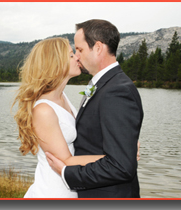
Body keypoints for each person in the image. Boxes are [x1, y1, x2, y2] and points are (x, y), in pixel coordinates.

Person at [46, 19, 144, 198]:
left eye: (80, 49)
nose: (76, 56)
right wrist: (126, 147)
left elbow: (121, 166)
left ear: (98, 48)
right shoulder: (105, 85)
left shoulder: (116, 91)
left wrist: (67, 172)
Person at [12, 37, 105, 198]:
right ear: (55, 63)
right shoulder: (43, 110)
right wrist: (118, 159)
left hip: (70, 188)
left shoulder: (62, 97)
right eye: (70, 55)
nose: (77, 57)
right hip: (52, 192)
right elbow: (66, 161)